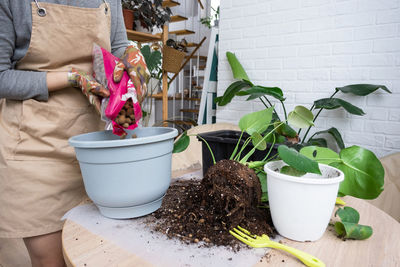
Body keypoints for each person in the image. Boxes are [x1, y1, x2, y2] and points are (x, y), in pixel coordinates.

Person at [0, 0, 149, 266]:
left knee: (93, 255)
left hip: (94, 149)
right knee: (51, 260)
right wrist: (71, 77)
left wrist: (132, 56)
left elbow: (117, 47)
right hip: (34, 147)